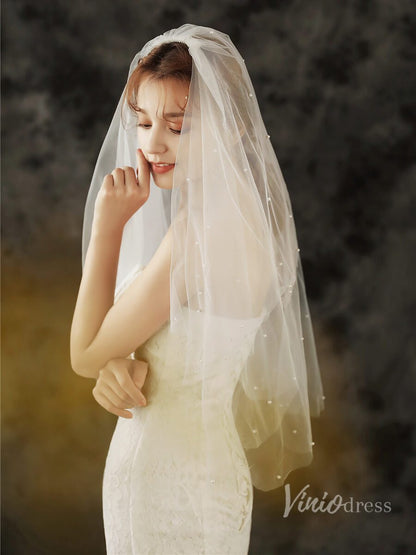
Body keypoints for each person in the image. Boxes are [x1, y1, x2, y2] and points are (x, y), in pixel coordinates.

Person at [70, 24, 325, 555]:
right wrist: (120, 361)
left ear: (233, 128)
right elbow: (179, 344)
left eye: (177, 126)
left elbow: (83, 353)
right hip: (212, 467)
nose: (151, 145)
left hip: (163, 474)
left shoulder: (200, 232)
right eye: (143, 122)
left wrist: (107, 226)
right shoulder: (249, 220)